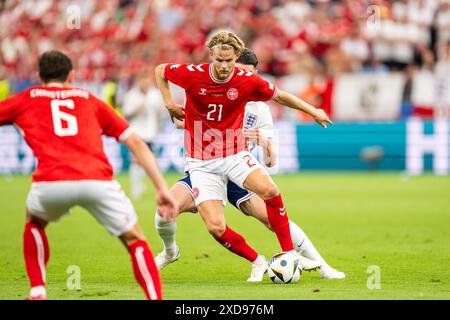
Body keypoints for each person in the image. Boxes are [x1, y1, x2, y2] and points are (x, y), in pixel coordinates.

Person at [155, 31, 333, 282]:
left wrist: (313, 110)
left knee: (270, 190)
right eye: (219, 60)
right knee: (215, 227)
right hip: (202, 163)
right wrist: (168, 103)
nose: (225, 66)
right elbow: (161, 70)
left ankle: (291, 254)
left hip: (233, 154)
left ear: (236, 57)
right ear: (211, 56)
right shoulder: (193, 73)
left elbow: (280, 96)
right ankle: (257, 260)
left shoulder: (247, 83)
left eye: (229, 61)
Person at [0, 50, 178, 300]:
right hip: (97, 180)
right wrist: (161, 187)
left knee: (34, 222)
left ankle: (38, 290)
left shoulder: (25, 98)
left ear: (40, 76)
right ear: (71, 76)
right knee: (134, 238)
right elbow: (136, 143)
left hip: (51, 182)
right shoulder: (89, 99)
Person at [122, 70, 165, 200]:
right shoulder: (131, 95)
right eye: (143, 80)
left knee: (150, 161)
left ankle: (140, 184)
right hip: (137, 133)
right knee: (137, 160)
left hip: (151, 133)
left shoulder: (155, 94)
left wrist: (158, 126)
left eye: (147, 80)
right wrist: (136, 110)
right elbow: (126, 113)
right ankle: (135, 188)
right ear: (138, 81)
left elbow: (159, 111)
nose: (145, 83)